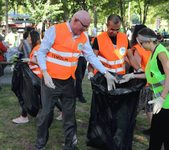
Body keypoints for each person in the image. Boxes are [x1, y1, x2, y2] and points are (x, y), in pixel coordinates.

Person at [35, 10, 117, 150]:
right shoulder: (55, 30)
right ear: (75, 21)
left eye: (87, 27)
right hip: (50, 81)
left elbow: (90, 56)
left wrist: (105, 72)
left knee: (70, 116)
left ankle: (70, 146)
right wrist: (45, 73)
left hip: (68, 82)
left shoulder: (83, 37)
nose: (85, 30)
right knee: (46, 114)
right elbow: (41, 52)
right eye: (84, 26)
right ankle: (40, 146)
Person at [120, 28, 169, 150]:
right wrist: (132, 75)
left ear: (148, 41)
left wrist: (162, 98)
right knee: (156, 130)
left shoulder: (161, 53)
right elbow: (151, 74)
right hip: (162, 100)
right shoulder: (154, 53)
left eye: (141, 43)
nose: (140, 46)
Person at [12, 31, 63, 123]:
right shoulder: (36, 48)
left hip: (38, 77)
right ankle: (63, 112)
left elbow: (43, 63)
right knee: (46, 96)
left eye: (28, 37)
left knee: (27, 94)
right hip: (37, 77)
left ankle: (24, 116)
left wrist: (30, 60)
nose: (27, 39)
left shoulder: (37, 49)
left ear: (33, 39)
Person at [88, 14, 141, 79]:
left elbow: (131, 57)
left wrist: (138, 69)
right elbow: (93, 59)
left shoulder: (124, 38)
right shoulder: (99, 39)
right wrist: (90, 72)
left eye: (117, 29)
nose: (115, 32)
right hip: (103, 77)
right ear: (107, 25)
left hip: (120, 77)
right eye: (112, 29)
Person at [131, 24, 153, 136]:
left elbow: (136, 66)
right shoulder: (151, 47)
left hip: (142, 81)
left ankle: (129, 123)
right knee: (145, 105)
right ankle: (131, 122)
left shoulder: (138, 48)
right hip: (151, 80)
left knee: (140, 105)